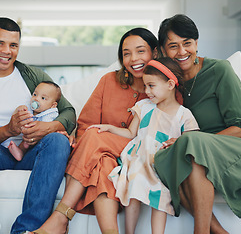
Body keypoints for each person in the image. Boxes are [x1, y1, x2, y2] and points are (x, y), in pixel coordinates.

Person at [153, 14, 241, 234]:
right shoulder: (169, 83)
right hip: (197, 150)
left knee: (191, 146)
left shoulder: (219, 70)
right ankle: (219, 232)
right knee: (165, 157)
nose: (182, 52)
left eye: (187, 43)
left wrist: (194, 141)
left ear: (196, 43)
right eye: (173, 46)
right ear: (162, 51)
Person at [32, 27, 158, 234]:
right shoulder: (109, 81)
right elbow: (85, 123)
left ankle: (60, 217)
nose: (133, 58)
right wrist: (76, 141)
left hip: (139, 152)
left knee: (94, 136)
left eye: (140, 51)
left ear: (154, 51)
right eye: (126, 53)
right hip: (104, 153)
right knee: (102, 164)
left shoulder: (164, 86)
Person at [0, 17, 76, 234]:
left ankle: (28, 229)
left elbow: (69, 113)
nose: (7, 51)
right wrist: (9, 131)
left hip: (31, 154)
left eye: (13, 45)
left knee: (58, 139)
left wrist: (46, 129)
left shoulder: (35, 76)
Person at [88, 57, 199, 234]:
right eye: (145, 86)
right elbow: (131, 134)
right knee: (134, 186)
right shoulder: (144, 106)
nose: (146, 91)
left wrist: (177, 141)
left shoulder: (183, 115)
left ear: (170, 85)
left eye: (151, 86)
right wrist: (109, 128)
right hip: (138, 159)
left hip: (162, 164)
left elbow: (192, 140)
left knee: (161, 195)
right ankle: (129, 232)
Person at [8, 81, 63, 161]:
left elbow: (45, 127)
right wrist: (20, 110)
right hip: (30, 138)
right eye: (35, 94)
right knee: (25, 140)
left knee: (31, 137)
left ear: (53, 105)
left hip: (43, 142)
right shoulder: (30, 109)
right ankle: (20, 151)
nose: (36, 99)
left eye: (43, 98)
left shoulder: (51, 113)